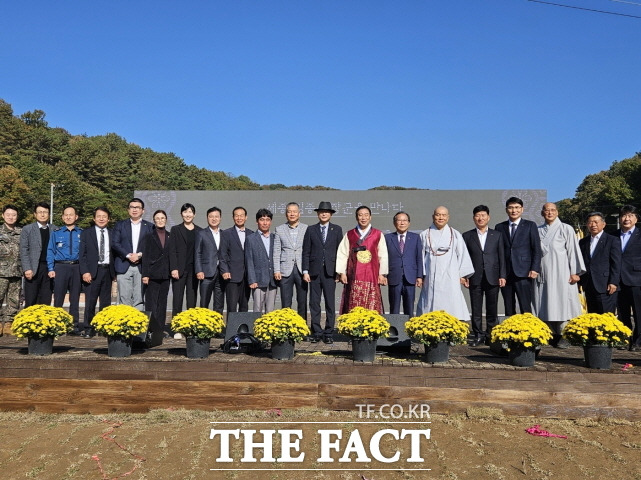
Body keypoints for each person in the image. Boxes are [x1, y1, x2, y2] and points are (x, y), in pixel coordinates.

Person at [532, 203, 585, 348]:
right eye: (546, 210)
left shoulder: (565, 228)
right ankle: (549, 333)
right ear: (542, 213)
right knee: (544, 302)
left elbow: (572, 251)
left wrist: (575, 272)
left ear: (557, 212)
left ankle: (565, 334)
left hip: (562, 273)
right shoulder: (536, 230)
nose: (549, 213)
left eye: (552, 210)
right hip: (543, 273)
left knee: (562, 302)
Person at [416, 206, 474, 320]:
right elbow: (420, 257)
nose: (440, 218)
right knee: (429, 302)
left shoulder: (455, 234)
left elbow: (462, 255)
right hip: (430, 275)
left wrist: (462, 275)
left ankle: (452, 328)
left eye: (443, 215)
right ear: (433, 217)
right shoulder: (424, 234)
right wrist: (420, 275)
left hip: (450, 275)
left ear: (448, 217)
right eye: (438, 215)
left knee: (451, 303)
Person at [462, 205, 506, 346]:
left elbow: (502, 257)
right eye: (477, 216)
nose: (480, 218)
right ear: (473, 218)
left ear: (488, 217)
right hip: (474, 277)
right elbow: (464, 258)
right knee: (476, 308)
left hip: (493, 276)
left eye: (483, 215)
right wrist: (464, 276)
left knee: (492, 308)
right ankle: (478, 335)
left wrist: (502, 275)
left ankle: (490, 335)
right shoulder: (467, 236)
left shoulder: (497, 235)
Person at [302, 201, 343, 343]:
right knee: (314, 303)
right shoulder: (311, 229)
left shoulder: (337, 230)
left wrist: (339, 271)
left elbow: (340, 252)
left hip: (330, 272)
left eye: (326, 212)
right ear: (318, 214)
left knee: (330, 303)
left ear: (331, 214)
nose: (324, 214)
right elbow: (306, 251)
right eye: (321, 212)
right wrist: (305, 270)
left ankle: (329, 333)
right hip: (314, 272)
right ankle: (317, 332)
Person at [336, 205, 388, 314]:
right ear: (356, 217)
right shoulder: (350, 234)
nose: (363, 218)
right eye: (360, 215)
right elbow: (342, 254)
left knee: (372, 302)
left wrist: (382, 274)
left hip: (372, 275)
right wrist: (342, 273)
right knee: (353, 301)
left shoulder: (378, 234)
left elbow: (383, 255)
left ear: (370, 217)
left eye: (366, 215)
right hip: (353, 274)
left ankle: (372, 327)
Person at [495, 196, 542, 316]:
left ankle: (527, 333)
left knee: (525, 306)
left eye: (516, 207)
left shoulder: (530, 225)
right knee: (508, 307)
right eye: (510, 208)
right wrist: (500, 273)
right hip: (506, 273)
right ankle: (510, 332)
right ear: (506, 210)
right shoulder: (499, 227)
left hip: (524, 272)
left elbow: (536, 249)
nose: (513, 210)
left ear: (522, 209)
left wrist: (534, 268)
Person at [79, 206, 115, 337]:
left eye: (104, 216)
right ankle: (89, 327)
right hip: (92, 272)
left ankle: (104, 327)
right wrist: (85, 272)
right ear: (94, 218)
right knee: (90, 301)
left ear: (108, 219)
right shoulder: (86, 233)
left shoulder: (112, 233)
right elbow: (82, 255)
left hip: (107, 270)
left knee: (106, 302)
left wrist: (114, 273)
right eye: (99, 216)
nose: (101, 219)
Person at [112, 198, 154, 310]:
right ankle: (124, 325)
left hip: (141, 267)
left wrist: (139, 255)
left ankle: (138, 325)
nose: (134, 209)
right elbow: (115, 243)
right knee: (124, 299)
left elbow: (153, 247)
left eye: (138, 207)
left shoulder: (150, 227)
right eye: (132, 207)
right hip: (123, 264)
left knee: (139, 299)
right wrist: (128, 255)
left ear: (143, 210)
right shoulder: (120, 225)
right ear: (128, 209)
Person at [47, 206, 83, 334]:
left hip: (76, 267)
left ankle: (74, 326)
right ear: (62, 217)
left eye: (71, 214)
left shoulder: (81, 233)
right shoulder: (56, 233)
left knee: (75, 297)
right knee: (58, 297)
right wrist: (50, 268)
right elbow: (50, 251)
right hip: (60, 267)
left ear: (76, 217)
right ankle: (57, 325)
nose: (68, 217)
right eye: (66, 215)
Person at [578, 212, 620, 315]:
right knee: (592, 318)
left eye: (596, 222)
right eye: (590, 222)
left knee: (606, 318)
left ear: (603, 224)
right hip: (588, 285)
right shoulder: (583, 242)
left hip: (605, 286)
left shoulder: (612, 240)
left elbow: (616, 263)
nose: (593, 225)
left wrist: (613, 282)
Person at [273, 202, 308, 319]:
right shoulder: (279, 229)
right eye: (289, 211)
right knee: (286, 302)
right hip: (285, 269)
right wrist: (276, 270)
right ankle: (287, 327)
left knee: (302, 301)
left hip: (301, 269)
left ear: (299, 214)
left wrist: (307, 270)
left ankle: (302, 327)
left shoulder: (306, 228)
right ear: (286, 214)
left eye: (294, 211)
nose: (292, 214)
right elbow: (277, 251)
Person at [384, 211, 423, 317]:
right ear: (394, 223)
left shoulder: (415, 238)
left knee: (409, 308)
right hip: (394, 276)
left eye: (404, 220)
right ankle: (394, 331)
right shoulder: (387, 238)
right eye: (399, 220)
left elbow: (419, 258)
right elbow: (383, 258)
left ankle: (409, 331)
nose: (402, 223)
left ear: (409, 223)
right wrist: (384, 275)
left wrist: (419, 276)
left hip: (410, 277)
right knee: (394, 308)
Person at [168, 203, 201, 316]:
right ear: (181, 214)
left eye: (190, 212)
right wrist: (173, 268)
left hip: (193, 271)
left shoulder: (199, 231)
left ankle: (190, 326)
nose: (188, 214)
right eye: (185, 212)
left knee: (191, 300)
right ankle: (176, 327)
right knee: (177, 299)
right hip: (179, 270)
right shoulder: (176, 229)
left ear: (194, 214)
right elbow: (171, 250)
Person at [141, 210, 171, 334]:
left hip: (165, 274)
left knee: (162, 303)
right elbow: (146, 256)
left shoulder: (170, 235)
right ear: (154, 220)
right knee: (151, 302)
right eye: (157, 218)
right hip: (152, 273)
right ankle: (151, 329)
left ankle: (160, 328)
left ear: (166, 220)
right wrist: (145, 274)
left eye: (162, 218)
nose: (160, 220)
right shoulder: (149, 236)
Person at [616, 205, 641, 351]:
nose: (627, 218)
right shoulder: (612, 235)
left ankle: (638, 340)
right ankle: (625, 338)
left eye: (630, 215)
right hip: (618, 279)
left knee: (638, 312)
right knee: (622, 312)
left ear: (636, 218)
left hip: (637, 278)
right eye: (624, 215)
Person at [20, 202, 53, 306]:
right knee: (31, 299)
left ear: (49, 214)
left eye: (45, 212)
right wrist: (27, 268)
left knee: (46, 298)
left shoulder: (55, 229)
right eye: (40, 212)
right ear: (35, 214)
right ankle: (29, 321)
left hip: (48, 268)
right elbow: (24, 250)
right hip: (33, 268)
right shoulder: (27, 229)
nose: (42, 214)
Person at [221, 206, 253, 312]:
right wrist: (225, 270)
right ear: (233, 217)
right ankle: (231, 329)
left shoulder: (251, 234)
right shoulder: (226, 233)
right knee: (232, 306)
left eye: (241, 215)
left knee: (244, 306)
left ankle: (242, 329)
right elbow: (223, 254)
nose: (239, 218)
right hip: (232, 276)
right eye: (236, 215)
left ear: (246, 217)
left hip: (247, 276)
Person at [245, 209, 277, 314]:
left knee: (270, 311)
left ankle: (268, 330)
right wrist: (252, 280)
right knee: (257, 310)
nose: (265, 222)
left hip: (272, 280)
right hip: (258, 280)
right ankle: (256, 330)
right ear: (257, 221)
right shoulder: (251, 239)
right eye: (262, 219)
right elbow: (249, 260)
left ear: (271, 222)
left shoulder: (275, 238)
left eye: (267, 220)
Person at [195, 207, 224, 315]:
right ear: (207, 218)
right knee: (204, 303)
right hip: (206, 273)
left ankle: (218, 328)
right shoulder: (201, 233)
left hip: (221, 273)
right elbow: (197, 253)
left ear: (220, 218)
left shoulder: (224, 233)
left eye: (216, 216)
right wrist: (199, 270)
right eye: (211, 216)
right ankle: (203, 327)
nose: (214, 219)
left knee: (219, 303)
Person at [0, 205, 22, 332]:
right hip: (1, 271)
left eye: (13, 214)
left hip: (16, 271)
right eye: (8, 214)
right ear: (3, 215)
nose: (11, 217)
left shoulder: (22, 232)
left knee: (14, 298)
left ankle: (9, 322)